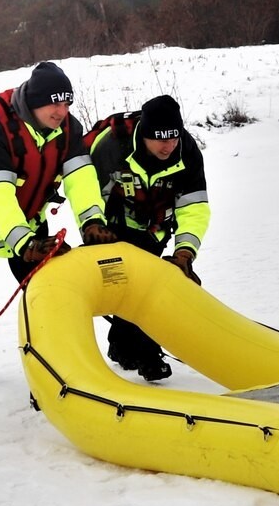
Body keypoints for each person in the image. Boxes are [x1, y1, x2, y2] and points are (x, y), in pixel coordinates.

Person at [0, 61, 110, 389]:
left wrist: (91, 220)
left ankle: (53, 366)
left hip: (30, 220)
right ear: (33, 102)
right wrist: (24, 243)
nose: (61, 112)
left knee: (45, 291)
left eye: (66, 103)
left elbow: (80, 176)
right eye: (53, 103)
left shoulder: (68, 129)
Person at [86, 94, 209, 383]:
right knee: (137, 284)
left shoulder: (187, 151)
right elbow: (86, 192)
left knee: (142, 286)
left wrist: (185, 252)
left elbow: (194, 206)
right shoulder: (110, 147)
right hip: (114, 227)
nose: (168, 146)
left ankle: (121, 347)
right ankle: (148, 355)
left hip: (156, 227)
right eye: (159, 139)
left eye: (173, 138)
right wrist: (92, 226)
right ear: (144, 136)